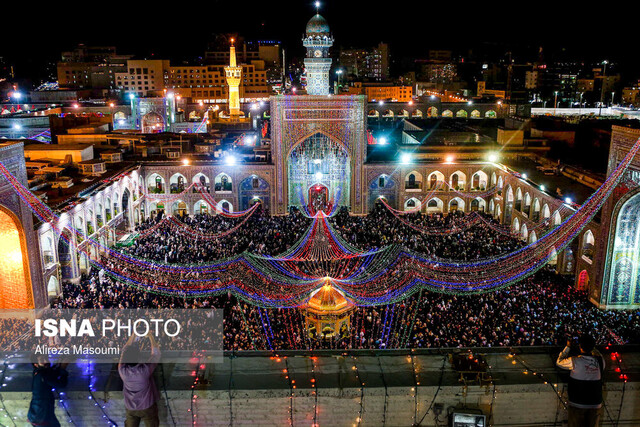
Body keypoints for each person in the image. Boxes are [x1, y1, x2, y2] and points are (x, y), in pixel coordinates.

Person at [556, 334, 604, 427]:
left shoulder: (575, 361)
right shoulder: (600, 361)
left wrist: (568, 347)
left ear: (580, 347)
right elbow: (597, 354)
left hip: (578, 403)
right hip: (595, 404)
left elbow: (559, 362)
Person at [118, 332, 161, 427]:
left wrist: (133, 334)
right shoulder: (145, 370)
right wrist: (150, 336)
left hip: (130, 408)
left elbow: (124, 350)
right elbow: (156, 355)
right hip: (147, 406)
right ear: (138, 357)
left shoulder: (122, 370)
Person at [28, 361, 68, 426]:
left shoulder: (38, 373)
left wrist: (59, 367)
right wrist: (62, 369)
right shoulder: (41, 375)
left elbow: (51, 375)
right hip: (41, 414)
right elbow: (61, 384)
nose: (45, 361)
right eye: (42, 360)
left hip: (39, 413)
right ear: (35, 364)